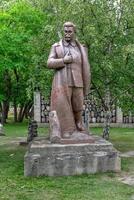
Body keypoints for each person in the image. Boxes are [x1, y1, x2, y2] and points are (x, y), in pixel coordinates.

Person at [47, 22, 91, 138]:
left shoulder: (81, 48)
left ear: (74, 32)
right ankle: (66, 129)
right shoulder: (56, 46)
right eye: (65, 31)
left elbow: (85, 67)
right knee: (64, 106)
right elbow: (49, 63)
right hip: (63, 82)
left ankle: (79, 123)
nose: (67, 34)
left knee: (78, 104)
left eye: (69, 32)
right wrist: (63, 60)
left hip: (78, 81)